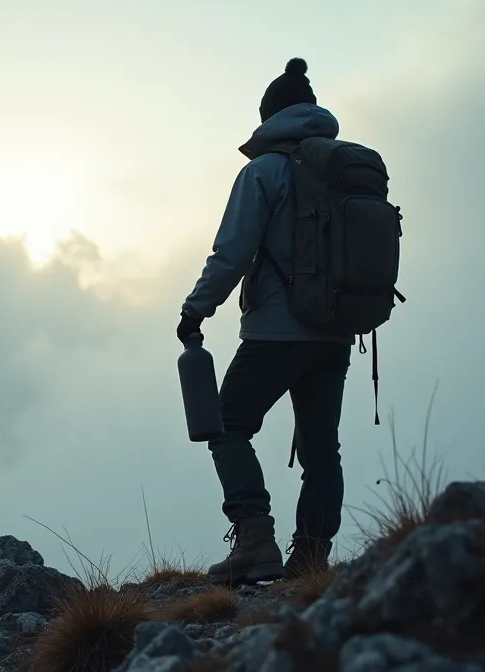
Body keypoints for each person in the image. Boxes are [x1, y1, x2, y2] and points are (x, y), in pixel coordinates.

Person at [177, 57, 351, 584]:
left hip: (277, 330)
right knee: (323, 449)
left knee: (227, 423)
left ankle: (254, 540)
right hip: (338, 329)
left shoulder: (264, 171)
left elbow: (231, 253)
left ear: (269, 117)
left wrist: (196, 308)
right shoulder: (343, 169)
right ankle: (312, 559)